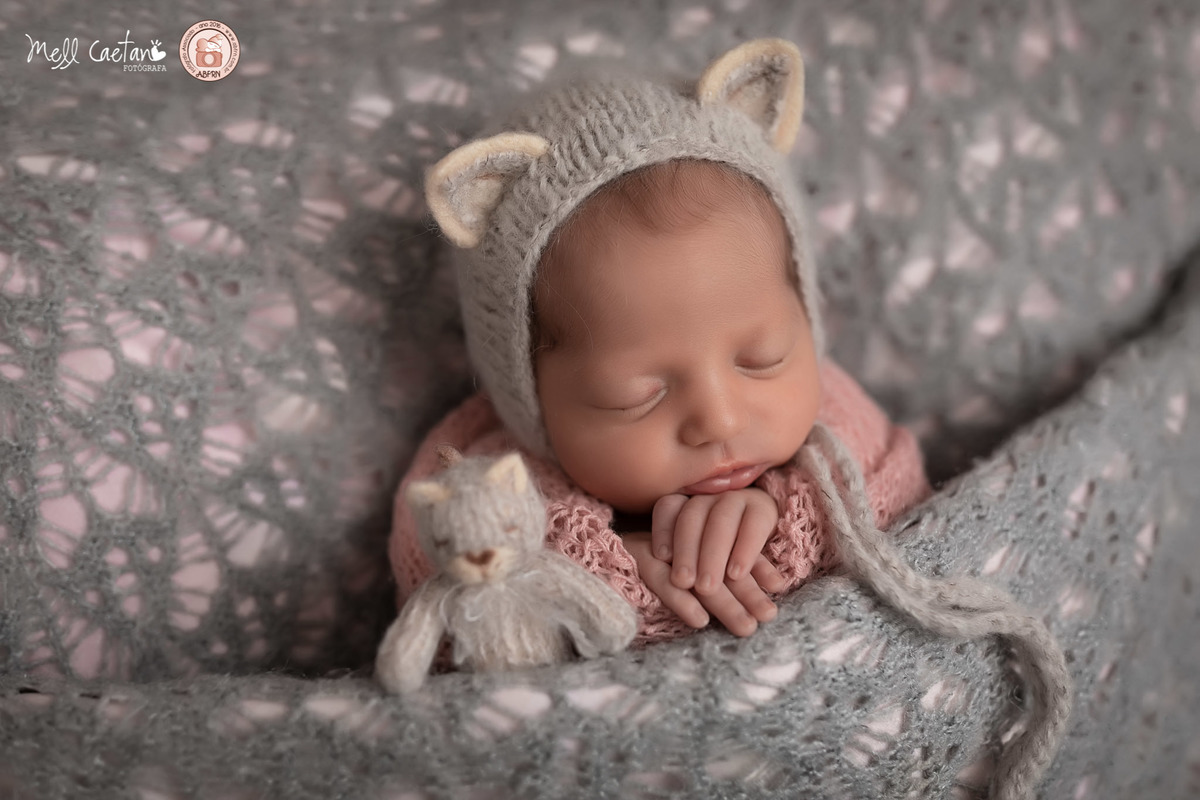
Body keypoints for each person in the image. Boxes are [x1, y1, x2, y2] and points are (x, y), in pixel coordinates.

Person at [387, 38, 929, 641]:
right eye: (636, 396)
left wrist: (786, 516)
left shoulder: (838, 422)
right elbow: (445, 602)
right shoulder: (486, 478)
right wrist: (606, 573)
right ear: (527, 399)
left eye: (762, 359)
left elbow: (903, 503)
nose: (718, 420)